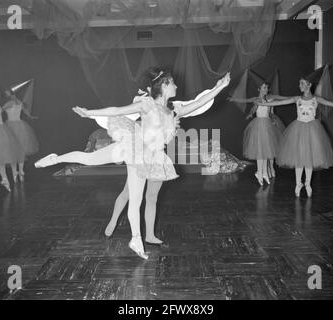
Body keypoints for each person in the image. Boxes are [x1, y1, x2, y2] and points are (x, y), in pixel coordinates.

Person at [35, 68, 231, 259]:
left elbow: (199, 103)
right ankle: (56, 158)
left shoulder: (173, 110)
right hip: (136, 150)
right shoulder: (147, 105)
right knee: (100, 168)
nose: (177, 86)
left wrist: (220, 87)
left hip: (156, 157)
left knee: (148, 197)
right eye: (173, 83)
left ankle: (146, 236)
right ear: (164, 85)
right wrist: (89, 113)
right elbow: (116, 110)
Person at [259, 77, 333, 197]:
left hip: (312, 131)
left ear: (309, 85)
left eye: (302, 83)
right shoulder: (297, 99)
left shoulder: (316, 99)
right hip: (298, 130)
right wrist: (263, 103)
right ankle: (298, 184)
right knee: (299, 159)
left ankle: (308, 184)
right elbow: (279, 102)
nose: (299, 85)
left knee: (309, 160)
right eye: (299, 83)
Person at [231, 82, 288, 185]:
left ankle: (264, 172)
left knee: (266, 150)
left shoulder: (268, 100)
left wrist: (272, 119)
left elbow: (271, 110)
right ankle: (259, 172)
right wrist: (250, 113)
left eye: (267, 87)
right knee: (260, 150)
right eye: (264, 87)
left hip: (267, 124)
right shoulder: (256, 99)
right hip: (259, 125)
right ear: (259, 89)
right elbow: (251, 105)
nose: (266, 89)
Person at [3, 88, 39, 182]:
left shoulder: (11, 103)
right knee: (17, 150)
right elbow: (25, 111)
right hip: (16, 126)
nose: (5, 93)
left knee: (17, 150)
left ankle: (19, 172)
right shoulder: (18, 102)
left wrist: (31, 116)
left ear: (11, 93)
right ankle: (18, 172)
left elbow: (0, 110)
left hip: (14, 126)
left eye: (6, 92)